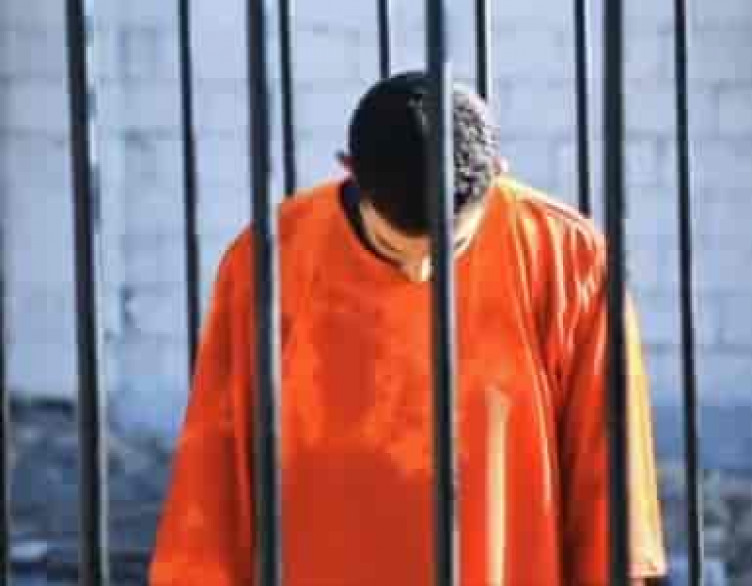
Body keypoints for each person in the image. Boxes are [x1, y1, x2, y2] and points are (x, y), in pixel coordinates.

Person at [149, 71, 667, 586]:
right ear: (349, 172)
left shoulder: (567, 256)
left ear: (497, 174)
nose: (420, 272)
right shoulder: (272, 259)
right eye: (393, 247)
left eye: (451, 249)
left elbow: (609, 477)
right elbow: (215, 476)